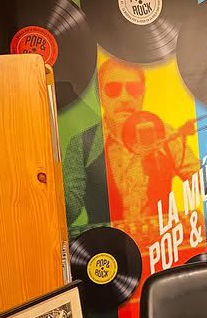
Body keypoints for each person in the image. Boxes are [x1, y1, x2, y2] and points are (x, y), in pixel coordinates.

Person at [62, 58, 199, 228]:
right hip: (107, 242)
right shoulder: (81, 144)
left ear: (143, 94)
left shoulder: (166, 134)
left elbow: (202, 181)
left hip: (161, 241)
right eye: (113, 89)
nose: (125, 98)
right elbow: (69, 212)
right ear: (100, 95)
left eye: (133, 89)